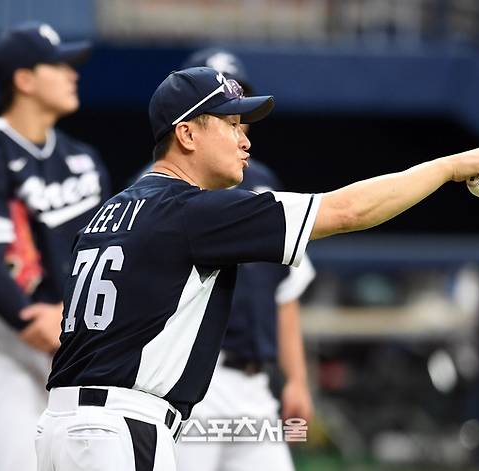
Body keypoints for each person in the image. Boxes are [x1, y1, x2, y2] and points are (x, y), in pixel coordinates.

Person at [35, 66, 479, 471]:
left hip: (66, 426)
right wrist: (446, 167)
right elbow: (346, 211)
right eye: (229, 124)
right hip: (119, 430)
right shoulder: (192, 211)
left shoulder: (112, 210)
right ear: (186, 133)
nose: (244, 139)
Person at [0, 22, 110, 471]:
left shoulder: (84, 159)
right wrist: (28, 318)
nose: (73, 74)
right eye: (60, 65)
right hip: (13, 354)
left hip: (84, 355)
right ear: (24, 80)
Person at [174, 48, 314, 471]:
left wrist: (297, 379)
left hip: (254, 385)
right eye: (222, 110)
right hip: (190, 382)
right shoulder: (163, 186)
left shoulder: (264, 183)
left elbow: (285, 292)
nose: (236, 122)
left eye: (240, 108)